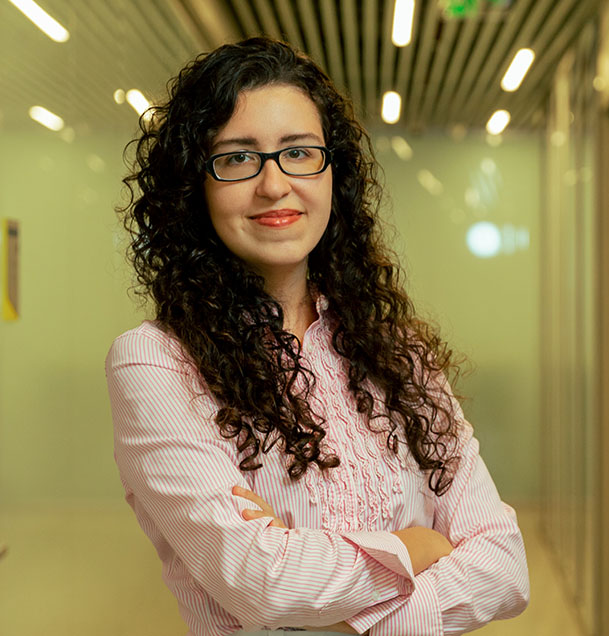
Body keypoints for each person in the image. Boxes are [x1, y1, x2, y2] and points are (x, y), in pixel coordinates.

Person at [106, 37, 529, 636]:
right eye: (236, 157)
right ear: (193, 188)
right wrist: (417, 549)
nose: (274, 185)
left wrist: (324, 603)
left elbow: (506, 568)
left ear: (335, 174)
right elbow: (264, 585)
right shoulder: (155, 363)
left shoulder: (397, 349)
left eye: (299, 153)